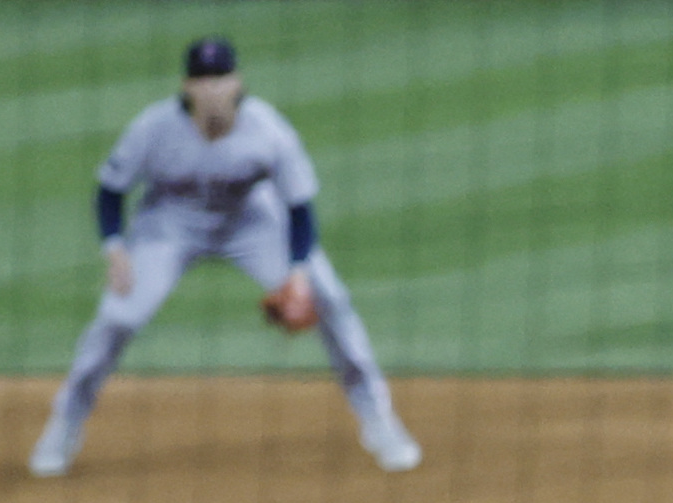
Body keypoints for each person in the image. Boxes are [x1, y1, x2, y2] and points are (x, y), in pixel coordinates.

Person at [28, 36, 420, 478]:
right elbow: (110, 191)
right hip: (169, 228)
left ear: (237, 82)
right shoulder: (153, 128)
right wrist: (115, 249)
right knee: (118, 318)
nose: (212, 88)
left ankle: (379, 421)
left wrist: (297, 274)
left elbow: (300, 210)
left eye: (220, 78)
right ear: (186, 86)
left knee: (330, 299)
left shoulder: (269, 129)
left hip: (251, 223)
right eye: (202, 79)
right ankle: (65, 425)